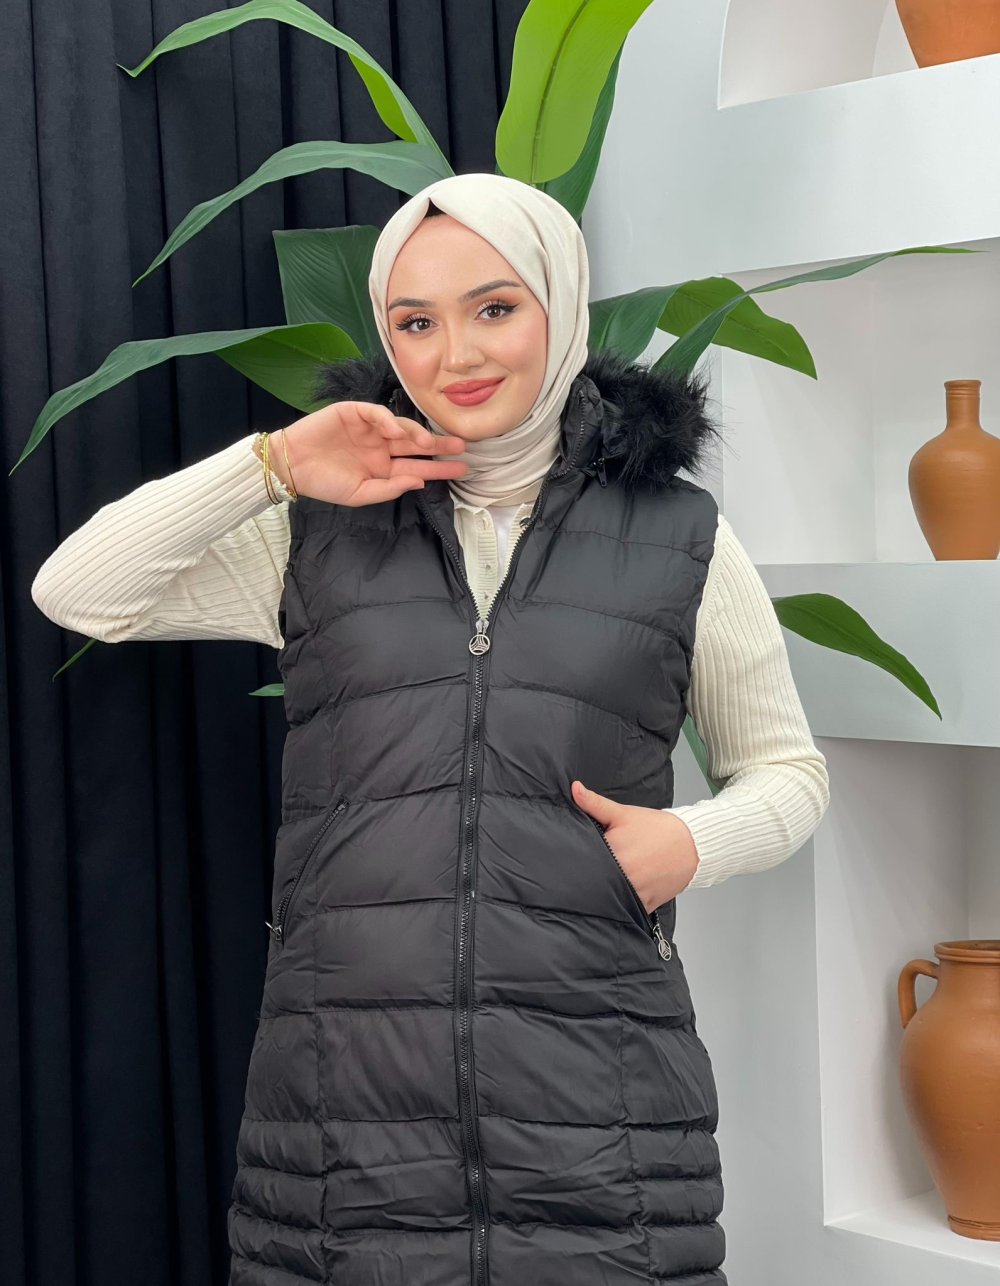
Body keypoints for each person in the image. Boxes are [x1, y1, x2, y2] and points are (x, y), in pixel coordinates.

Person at [31, 172, 830, 1285]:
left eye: (493, 308)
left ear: (559, 303)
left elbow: (787, 770)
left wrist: (690, 842)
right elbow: (80, 589)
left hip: (599, 1111)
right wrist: (272, 465)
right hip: (340, 1114)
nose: (455, 354)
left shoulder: (679, 536)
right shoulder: (319, 532)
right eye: (415, 322)